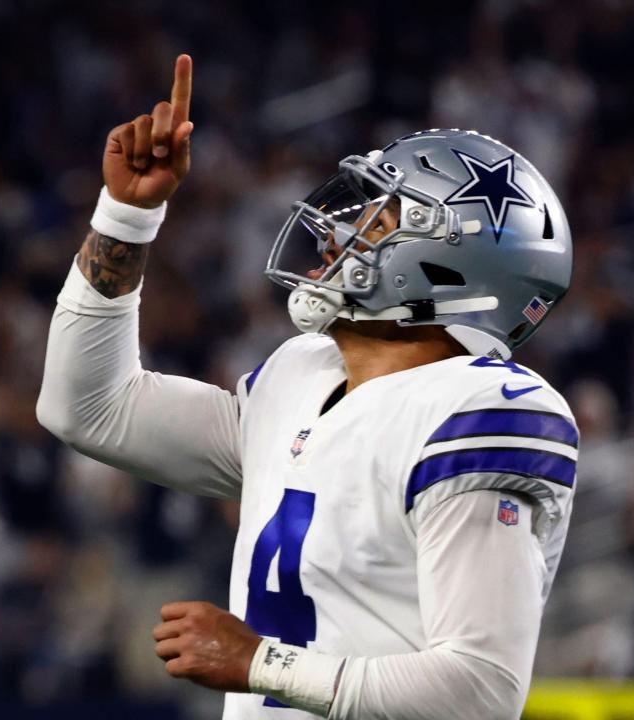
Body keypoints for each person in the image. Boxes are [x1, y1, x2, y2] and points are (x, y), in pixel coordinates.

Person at [37, 54, 577, 720]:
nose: (340, 230)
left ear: (451, 261)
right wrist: (125, 219)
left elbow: (480, 692)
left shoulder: (481, 409)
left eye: (380, 217)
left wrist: (260, 662)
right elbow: (88, 408)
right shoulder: (300, 376)